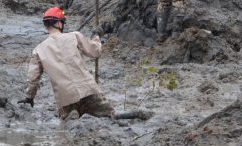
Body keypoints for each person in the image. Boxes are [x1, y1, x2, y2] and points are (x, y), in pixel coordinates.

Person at [19, 7, 149, 122]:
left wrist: (29, 98)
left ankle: (73, 117)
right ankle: (136, 114)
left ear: (47, 25)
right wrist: (96, 36)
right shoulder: (74, 36)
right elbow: (95, 52)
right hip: (89, 90)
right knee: (111, 116)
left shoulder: (38, 50)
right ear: (59, 23)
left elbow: (33, 79)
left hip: (65, 99)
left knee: (68, 123)